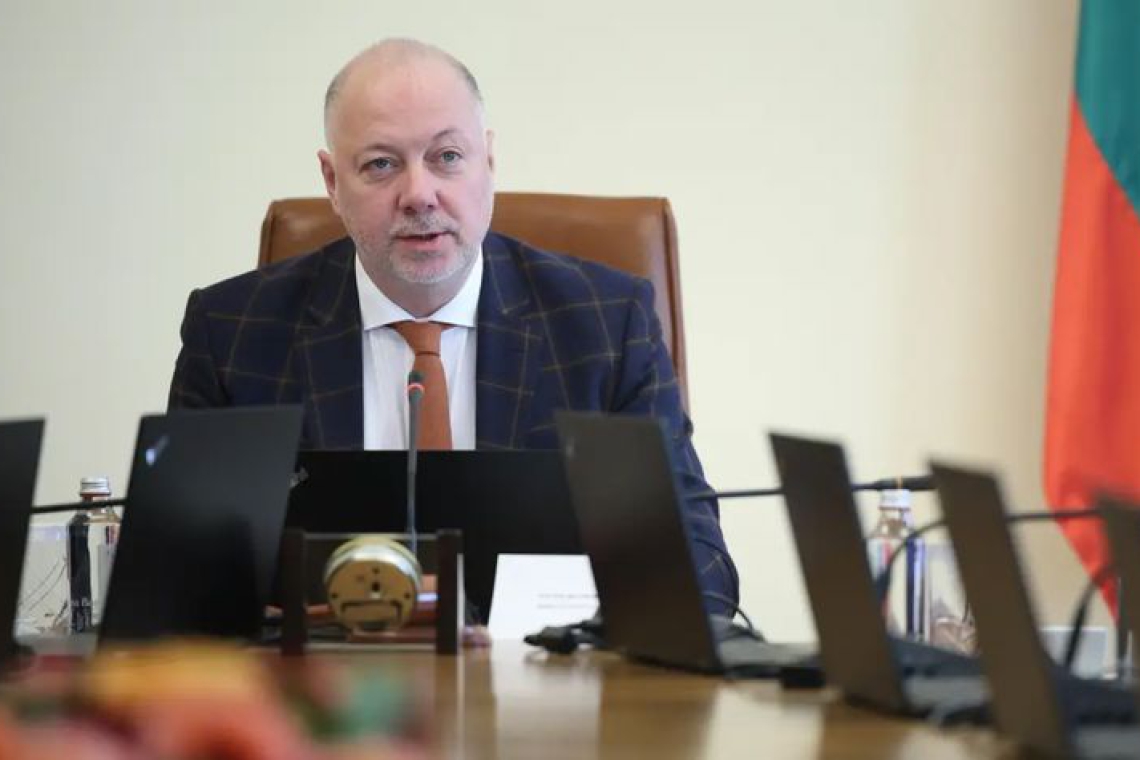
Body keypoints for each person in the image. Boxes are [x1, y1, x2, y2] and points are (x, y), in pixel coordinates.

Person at [168, 39, 738, 608]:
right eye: (381, 164)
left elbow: (698, 568)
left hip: (542, 663)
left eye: (446, 156)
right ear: (332, 181)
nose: (419, 195)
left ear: (487, 161)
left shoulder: (607, 325)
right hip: (321, 663)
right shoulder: (232, 334)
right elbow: (182, 581)